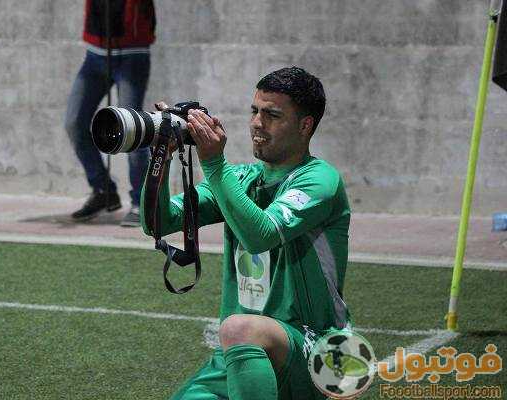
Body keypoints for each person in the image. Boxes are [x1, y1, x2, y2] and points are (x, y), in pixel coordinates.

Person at [141, 67, 351, 399]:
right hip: (242, 354)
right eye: (254, 111)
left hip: (318, 349)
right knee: (237, 335)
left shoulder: (319, 180)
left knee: (238, 327)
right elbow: (159, 222)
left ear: (305, 125)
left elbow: (261, 235)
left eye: (272, 115)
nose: (256, 122)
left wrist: (213, 165)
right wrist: (160, 159)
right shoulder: (238, 179)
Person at [65, 0, 155, 226]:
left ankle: (142, 202)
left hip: (132, 54)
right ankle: (103, 189)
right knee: (75, 122)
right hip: (96, 53)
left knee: (133, 129)